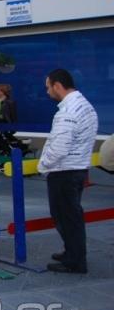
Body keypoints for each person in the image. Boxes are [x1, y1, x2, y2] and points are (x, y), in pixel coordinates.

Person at [38, 69, 98, 274]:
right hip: (77, 169)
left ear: (57, 86)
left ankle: (75, 260)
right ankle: (72, 251)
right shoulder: (85, 106)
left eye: (48, 87)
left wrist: (43, 164)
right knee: (71, 215)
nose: (47, 92)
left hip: (64, 172)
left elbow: (59, 147)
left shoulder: (67, 112)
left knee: (65, 216)